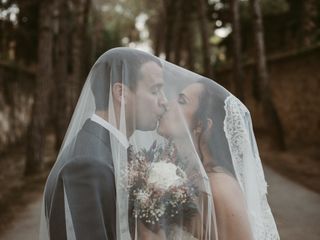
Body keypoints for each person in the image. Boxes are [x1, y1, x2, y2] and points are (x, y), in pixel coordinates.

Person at [40, 48, 167, 240]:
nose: (164, 101)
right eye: (155, 90)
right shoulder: (87, 164)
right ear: (121, 93)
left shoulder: (106, 149)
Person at [157, 78, 280, 239]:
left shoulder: (219, 187)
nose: (167, 103)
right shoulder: (183, 172)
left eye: (181, 101)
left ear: (202, 125)